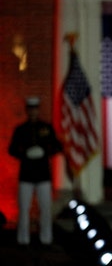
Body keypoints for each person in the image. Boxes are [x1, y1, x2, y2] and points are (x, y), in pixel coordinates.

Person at [9, 96, 63, 248]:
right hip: (26, 175)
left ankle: (46, 239)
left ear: (38, 110)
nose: (33, 112)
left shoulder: (47, 128)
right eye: (30, 109)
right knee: (23, 209)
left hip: (43, 175)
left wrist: (44, 151)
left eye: (35, 109)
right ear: (27, 110)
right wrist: (24, 153)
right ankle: (23, 240)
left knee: (45, 209)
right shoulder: (20, 130)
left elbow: (57, 146)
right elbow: (11, 149)